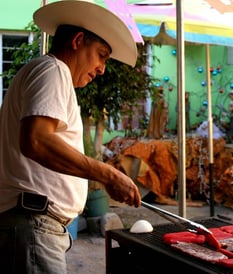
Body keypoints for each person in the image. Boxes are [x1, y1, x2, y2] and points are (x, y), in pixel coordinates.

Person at [0, 1, 142, 273]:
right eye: (101, 55)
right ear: (78, 40)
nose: (102, 69)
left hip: (32, 226)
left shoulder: (45, 73)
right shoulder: (53, 70)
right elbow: (37, 141)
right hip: (33, 224)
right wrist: (109, 174)